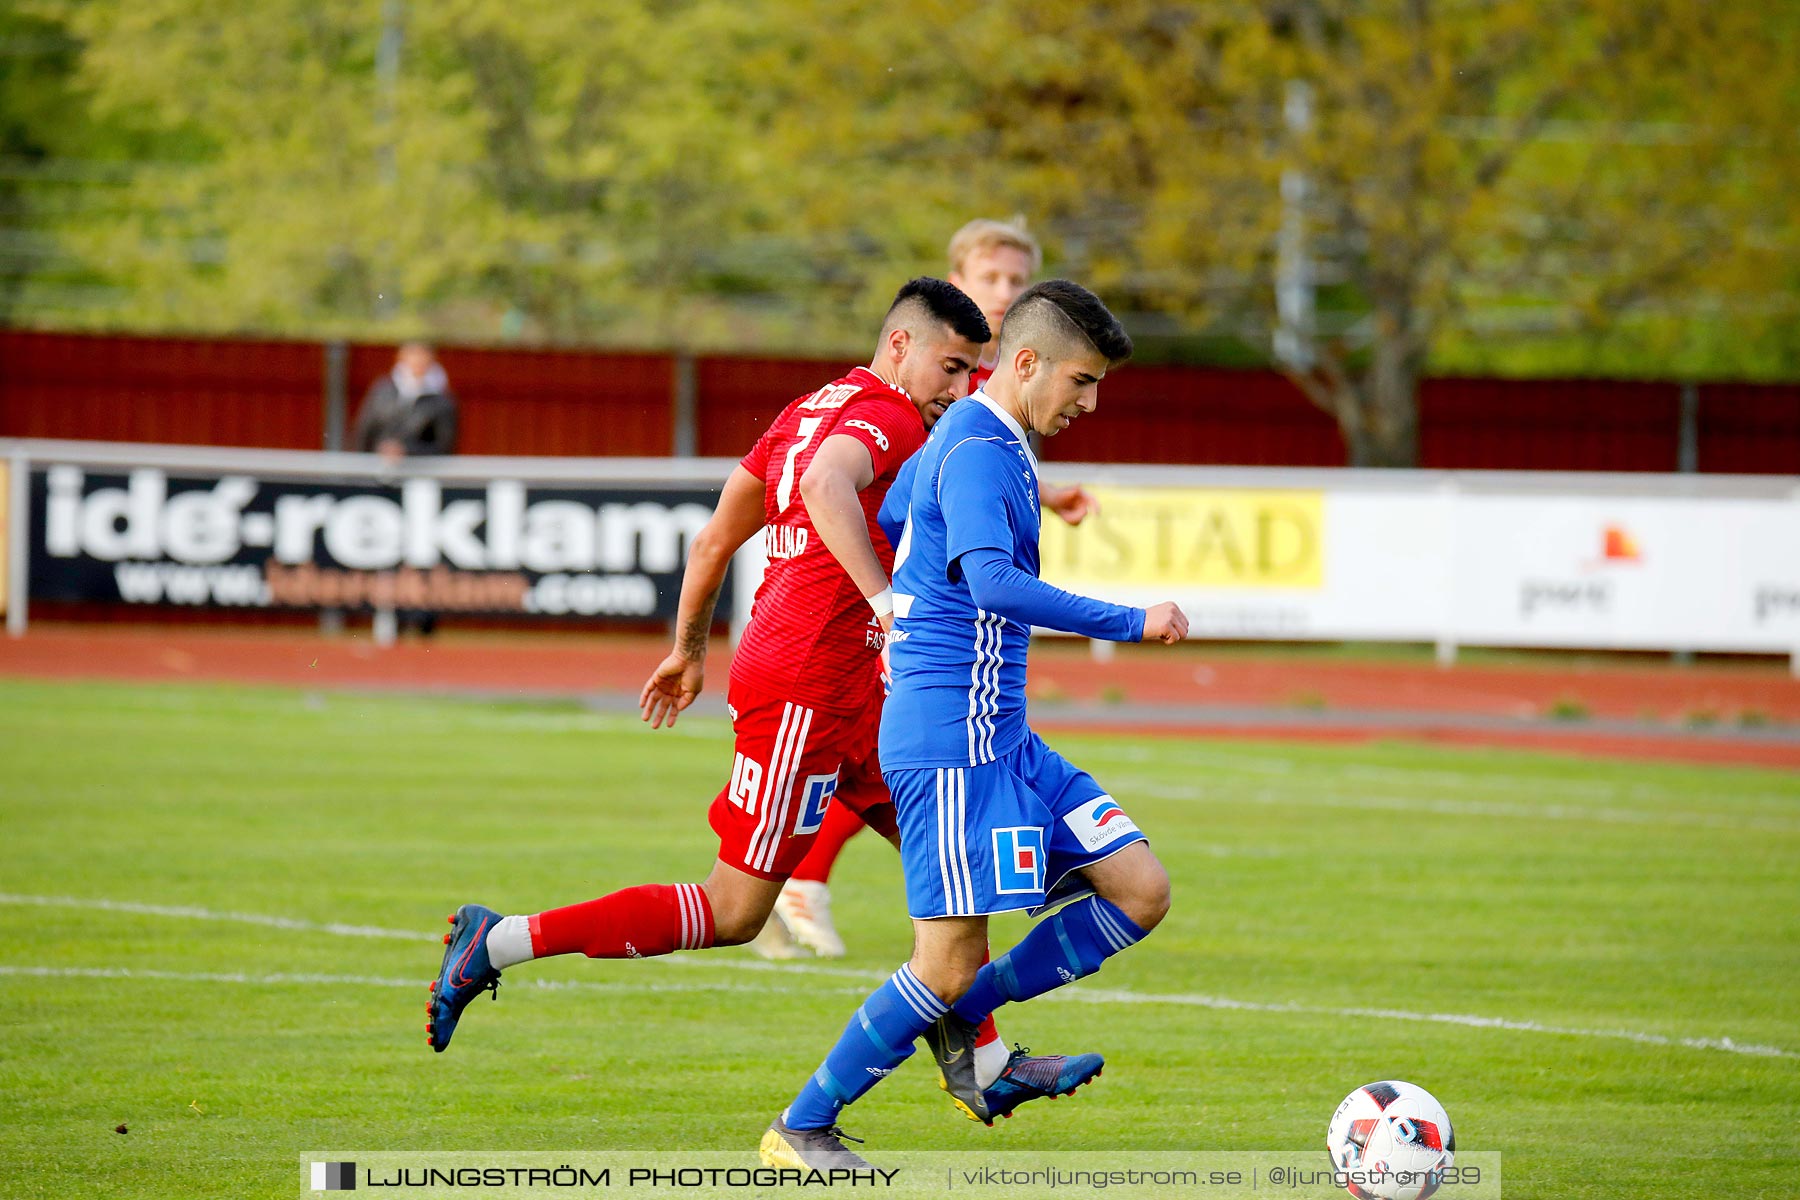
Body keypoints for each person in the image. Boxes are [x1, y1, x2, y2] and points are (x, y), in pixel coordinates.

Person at [425, 280, 1098, 1121]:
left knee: (957, 873)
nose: (958, 389)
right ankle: (498, 942)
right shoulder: (885, 415)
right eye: (951, 367)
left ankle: (985, 1061)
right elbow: (826, 484)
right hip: (808, 695)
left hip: (863, 697)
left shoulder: (807, 408)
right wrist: (885, 602)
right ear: (900, 346)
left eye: (972, 373)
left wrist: (686, 648)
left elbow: (715, 538)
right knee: (734, 909)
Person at [760, 280, 1190, 1169]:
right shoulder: (983, 446)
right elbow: (993, 583)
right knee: (946, 963)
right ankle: (803, 1125)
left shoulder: (979, 441)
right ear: (1024, 363)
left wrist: (910, 594)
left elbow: (891, 515)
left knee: (1140, 888)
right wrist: (1130, 619)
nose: (1090, 402)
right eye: (1081, 380)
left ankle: (967, 1033)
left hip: (1003, 731)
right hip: (953, 737)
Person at [353, 342, 458, 463]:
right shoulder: (382, 391)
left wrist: (407, 451)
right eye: (413, 354)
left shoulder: (443, 401)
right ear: (401, 357)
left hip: (420, 473)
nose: (417, 360)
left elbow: (444, 447)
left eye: (422, 355)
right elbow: (365, 432)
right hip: (377, 469)